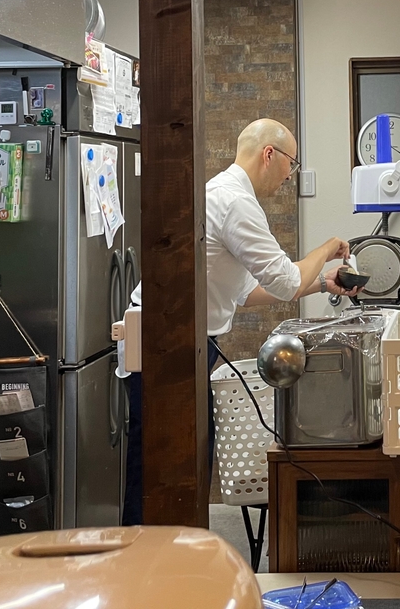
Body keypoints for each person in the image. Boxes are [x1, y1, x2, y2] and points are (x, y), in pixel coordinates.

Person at [122, 118, 358, 524]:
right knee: (162, 473)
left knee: (183, 464)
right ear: (269, 154)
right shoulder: (235, 202)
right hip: (165, 346)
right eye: (291, 164)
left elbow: (248, 291)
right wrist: (326, 248)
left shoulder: (227, 194)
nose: (290, 175)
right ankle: (149, 554)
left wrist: (323, 282)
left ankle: (171, 550)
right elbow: (286, 282)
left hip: (180, 344)